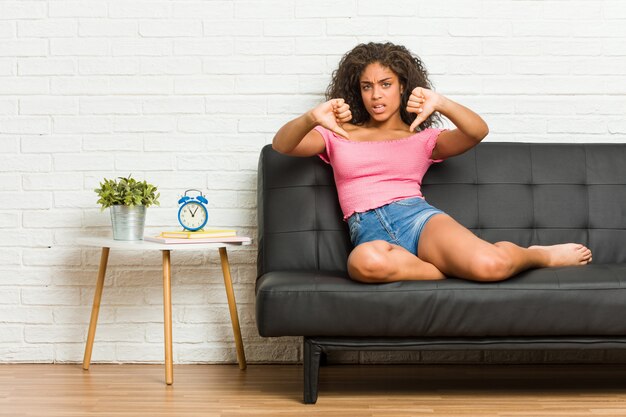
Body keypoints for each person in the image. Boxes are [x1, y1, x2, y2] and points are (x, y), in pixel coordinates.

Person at [272, 42, 592, 283]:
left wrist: (441, 103)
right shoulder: (337, 133)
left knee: (490, 266)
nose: (375, 95)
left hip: (417, 219)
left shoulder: (422, 138)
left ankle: (536, 255)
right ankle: (441, 271)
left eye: (385, 84)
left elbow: (477, 130)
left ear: (402, 87)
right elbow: (283, 145)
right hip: (368, 231)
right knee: (363, 264)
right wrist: (313, 116)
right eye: (367, 86)